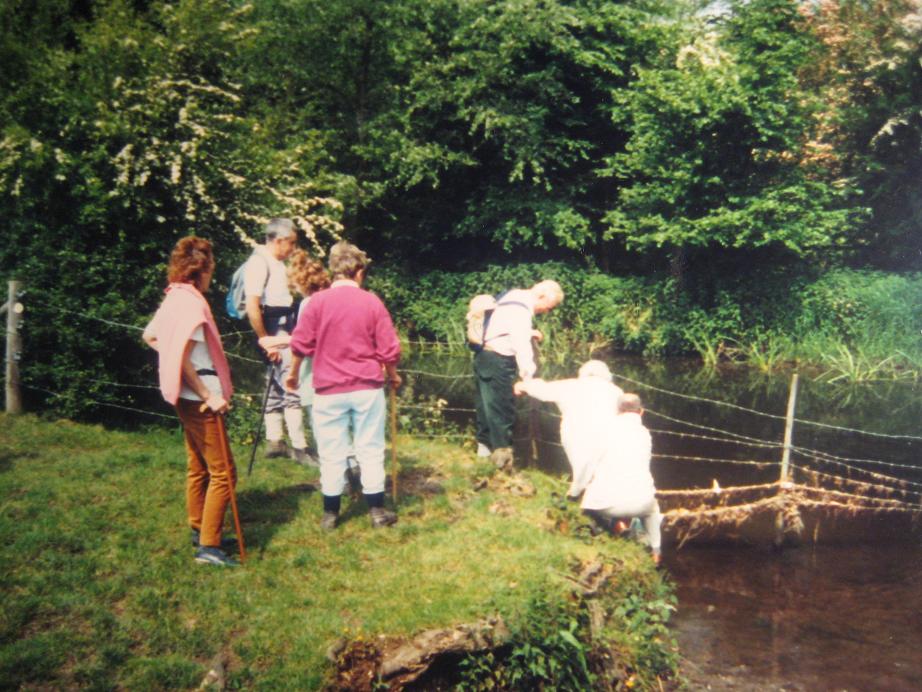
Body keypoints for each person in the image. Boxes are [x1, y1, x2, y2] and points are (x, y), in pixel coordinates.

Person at [285, 240, 402, 530]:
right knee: (370, 447)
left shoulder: (317, 302)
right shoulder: (371, 301)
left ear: (333, 270)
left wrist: (293, 373)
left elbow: (300, 344)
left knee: (331, 451)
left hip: (328, 389)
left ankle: (331, 513)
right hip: (366, 386)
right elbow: (388, 348)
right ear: (359, 272)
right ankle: (376, 511)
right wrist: (393, 373)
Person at [142, 236, 239, 567]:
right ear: (203, 268)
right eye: (211, 267)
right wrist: (209, 395)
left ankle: (201, 529)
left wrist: (170, 358)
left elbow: (150, 336)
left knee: (198, 467)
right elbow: (183, 358)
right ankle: (209, 548)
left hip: (183, 398)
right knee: (224, 471)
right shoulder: (192, 304)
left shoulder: (173, 298)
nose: (212, 274)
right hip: (199, 398)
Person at [473, 280, 563, 470]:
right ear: (541, 296)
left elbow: (503, 326)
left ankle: (483, 455)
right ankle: (502, 463)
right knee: (502, 410)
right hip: (498, 360)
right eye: (548, 307)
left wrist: (529, 332)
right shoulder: (521, 310)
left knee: (486, 406)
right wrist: (528, 377)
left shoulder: (512, 296)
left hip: (484, 356)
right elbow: (521, 344)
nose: (546, 312)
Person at [244, 218, 310, 464]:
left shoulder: (273, 262)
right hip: (274, 330)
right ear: (279, 240)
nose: (293, 248)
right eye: (291, 243)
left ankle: (275, 441)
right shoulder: (259, 263)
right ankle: (299, 447)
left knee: (274, 383)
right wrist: (266, 340)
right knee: (291, 384)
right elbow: (252, 305)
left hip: (278, 328)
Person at [258, 249, 332, 468]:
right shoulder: (329, 298)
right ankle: (350, 466)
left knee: (322, 423)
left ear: (301, 281)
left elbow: (306, 340)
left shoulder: (309, 304)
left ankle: (336, 475)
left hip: (317, 372)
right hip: (335, 367)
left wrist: (281, 343)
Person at [513, 359, 624, 499]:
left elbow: (544, 390)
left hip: (574, 432)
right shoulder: (616, 391)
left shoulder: (572, 385)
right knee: (601, 466)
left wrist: (523, 385)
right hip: (606, 434)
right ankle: (587, 492)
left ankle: (578, 492)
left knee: (581, 462)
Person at [580, 393, 663, 564]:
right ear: (641, 412)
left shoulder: (604, 430)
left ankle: (618, 527)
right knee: (653, 510)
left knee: (588, 505)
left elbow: (589, 463)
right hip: (643, 505)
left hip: (610, 506)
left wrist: (578, 488)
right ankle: (656, 552)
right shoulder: (645, 434)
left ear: (617, 410)